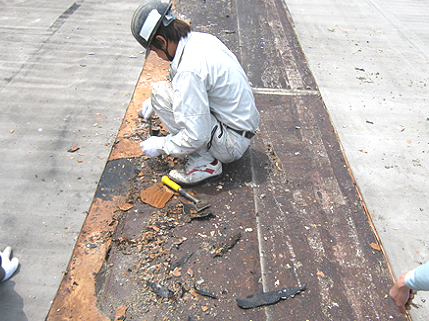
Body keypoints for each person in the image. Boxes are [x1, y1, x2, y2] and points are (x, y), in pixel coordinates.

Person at [131, 0, 260, 185]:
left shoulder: (189, 70)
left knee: (161, 93)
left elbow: (195, 136)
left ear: (161, 41)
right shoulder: (199, 39)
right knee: (160, 95)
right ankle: (209, 154)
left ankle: (204, 164)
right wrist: (154, 103)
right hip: (241, 128)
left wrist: (160, 146)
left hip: (231, 144)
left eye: (154, 50)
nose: (157, 56)